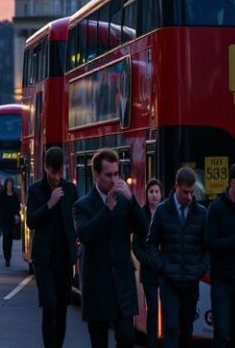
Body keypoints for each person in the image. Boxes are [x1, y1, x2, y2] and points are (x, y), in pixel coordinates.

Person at [73, 148, 146, 348]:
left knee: (127, 337)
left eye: (116, 174)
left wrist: (132, 201)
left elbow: (145, 230)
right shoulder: (83, 205)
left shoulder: (125, 202)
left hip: (122, 282)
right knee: (99, 341)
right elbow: (85, 235)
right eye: (108, 175)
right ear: (96, 175)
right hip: (97, 283)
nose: (114, 180)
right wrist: (107, 209)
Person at [146, 167, 208, 348]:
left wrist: (199, 270)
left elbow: (207, 248)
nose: (189, 197)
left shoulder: (202, 213)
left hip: (191, 281)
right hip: (169, 281)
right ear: (176, 187)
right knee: (171, 327)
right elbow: (151, 243)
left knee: (187, 329)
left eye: (192, 192)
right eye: (185, 192)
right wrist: (162, 268)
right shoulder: (162, 210)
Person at [26, 147, 79, 348]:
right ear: (46, 168)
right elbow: (31, 221)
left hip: (64, 257)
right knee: (49, 305)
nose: (57, 177)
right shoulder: (35, 190)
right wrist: (50, 204)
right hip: (44, 259)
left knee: (61, 308)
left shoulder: (70, 190)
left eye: (60, 172)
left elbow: (76, 219)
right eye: (53, 172)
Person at [205, 160, 235, 348]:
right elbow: (210, 244)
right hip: (222, 283)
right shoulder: (216, 208)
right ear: (233, 182)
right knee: (222, 334)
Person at [132, 178, 163, 348]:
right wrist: (146, 259)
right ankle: (152, 341)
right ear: (147, 194)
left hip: (165, 269)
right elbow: (135, 245)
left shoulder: (166, 212)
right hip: (149, 271)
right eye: (151, 192)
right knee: (152, 306)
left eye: (157, 192)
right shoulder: (142, 214)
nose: (154, 195)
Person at [0, 177, 20, 267]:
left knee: (10, 239)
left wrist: (17, 215)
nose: (9, 185)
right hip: (4, 220)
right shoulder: (2, 195)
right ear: (6, 185)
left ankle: (8, 257)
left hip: (12, 220)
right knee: (6, 236)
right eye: (8, 183)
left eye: (10, 183)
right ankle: (6, 256)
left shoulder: (15, 195)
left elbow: (17, 207)